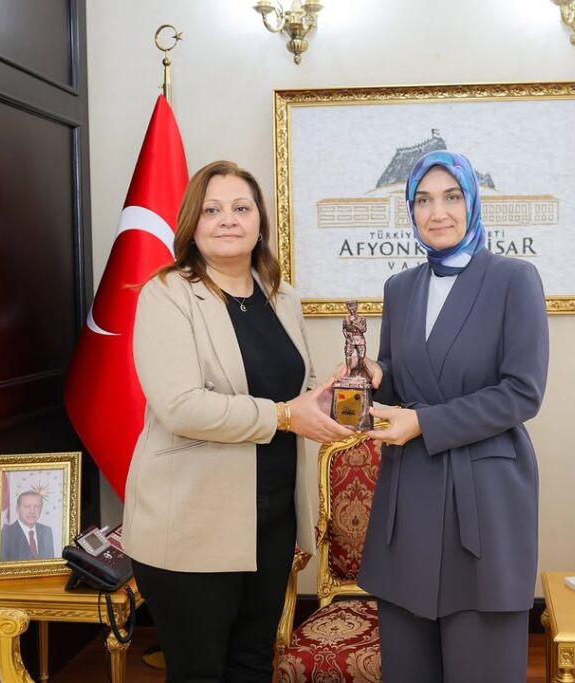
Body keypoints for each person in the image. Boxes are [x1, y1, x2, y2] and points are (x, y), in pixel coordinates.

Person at [122, 160, 352, 683]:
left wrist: (335, 394)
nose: (228, 219)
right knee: (201, 672)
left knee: (253, 662)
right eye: (213, 209)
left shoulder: (283, 296)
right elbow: (180, 406)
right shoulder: (167, 293)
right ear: (192, 224)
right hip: (190, 525)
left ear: (259, 221)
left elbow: (300, 390)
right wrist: (284, 415)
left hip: (270, 525)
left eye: (241, 208)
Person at [355, 150, 550, 682]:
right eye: (422, 199)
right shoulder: (400, 288)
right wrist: (377, 376)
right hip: (410, 495)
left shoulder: (515, 279)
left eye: (451, 196)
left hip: (485, 500)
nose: (436, 212)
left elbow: (522, 393)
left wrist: (425, 423)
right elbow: (404, 378)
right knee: (409, 666)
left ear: (473, 201)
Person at [0, 491, 56, 561]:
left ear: (41, 509)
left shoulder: (46, 531)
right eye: (27, 506)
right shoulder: (6, 534)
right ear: (17, 509)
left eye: (37, 506)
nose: (32, 511)